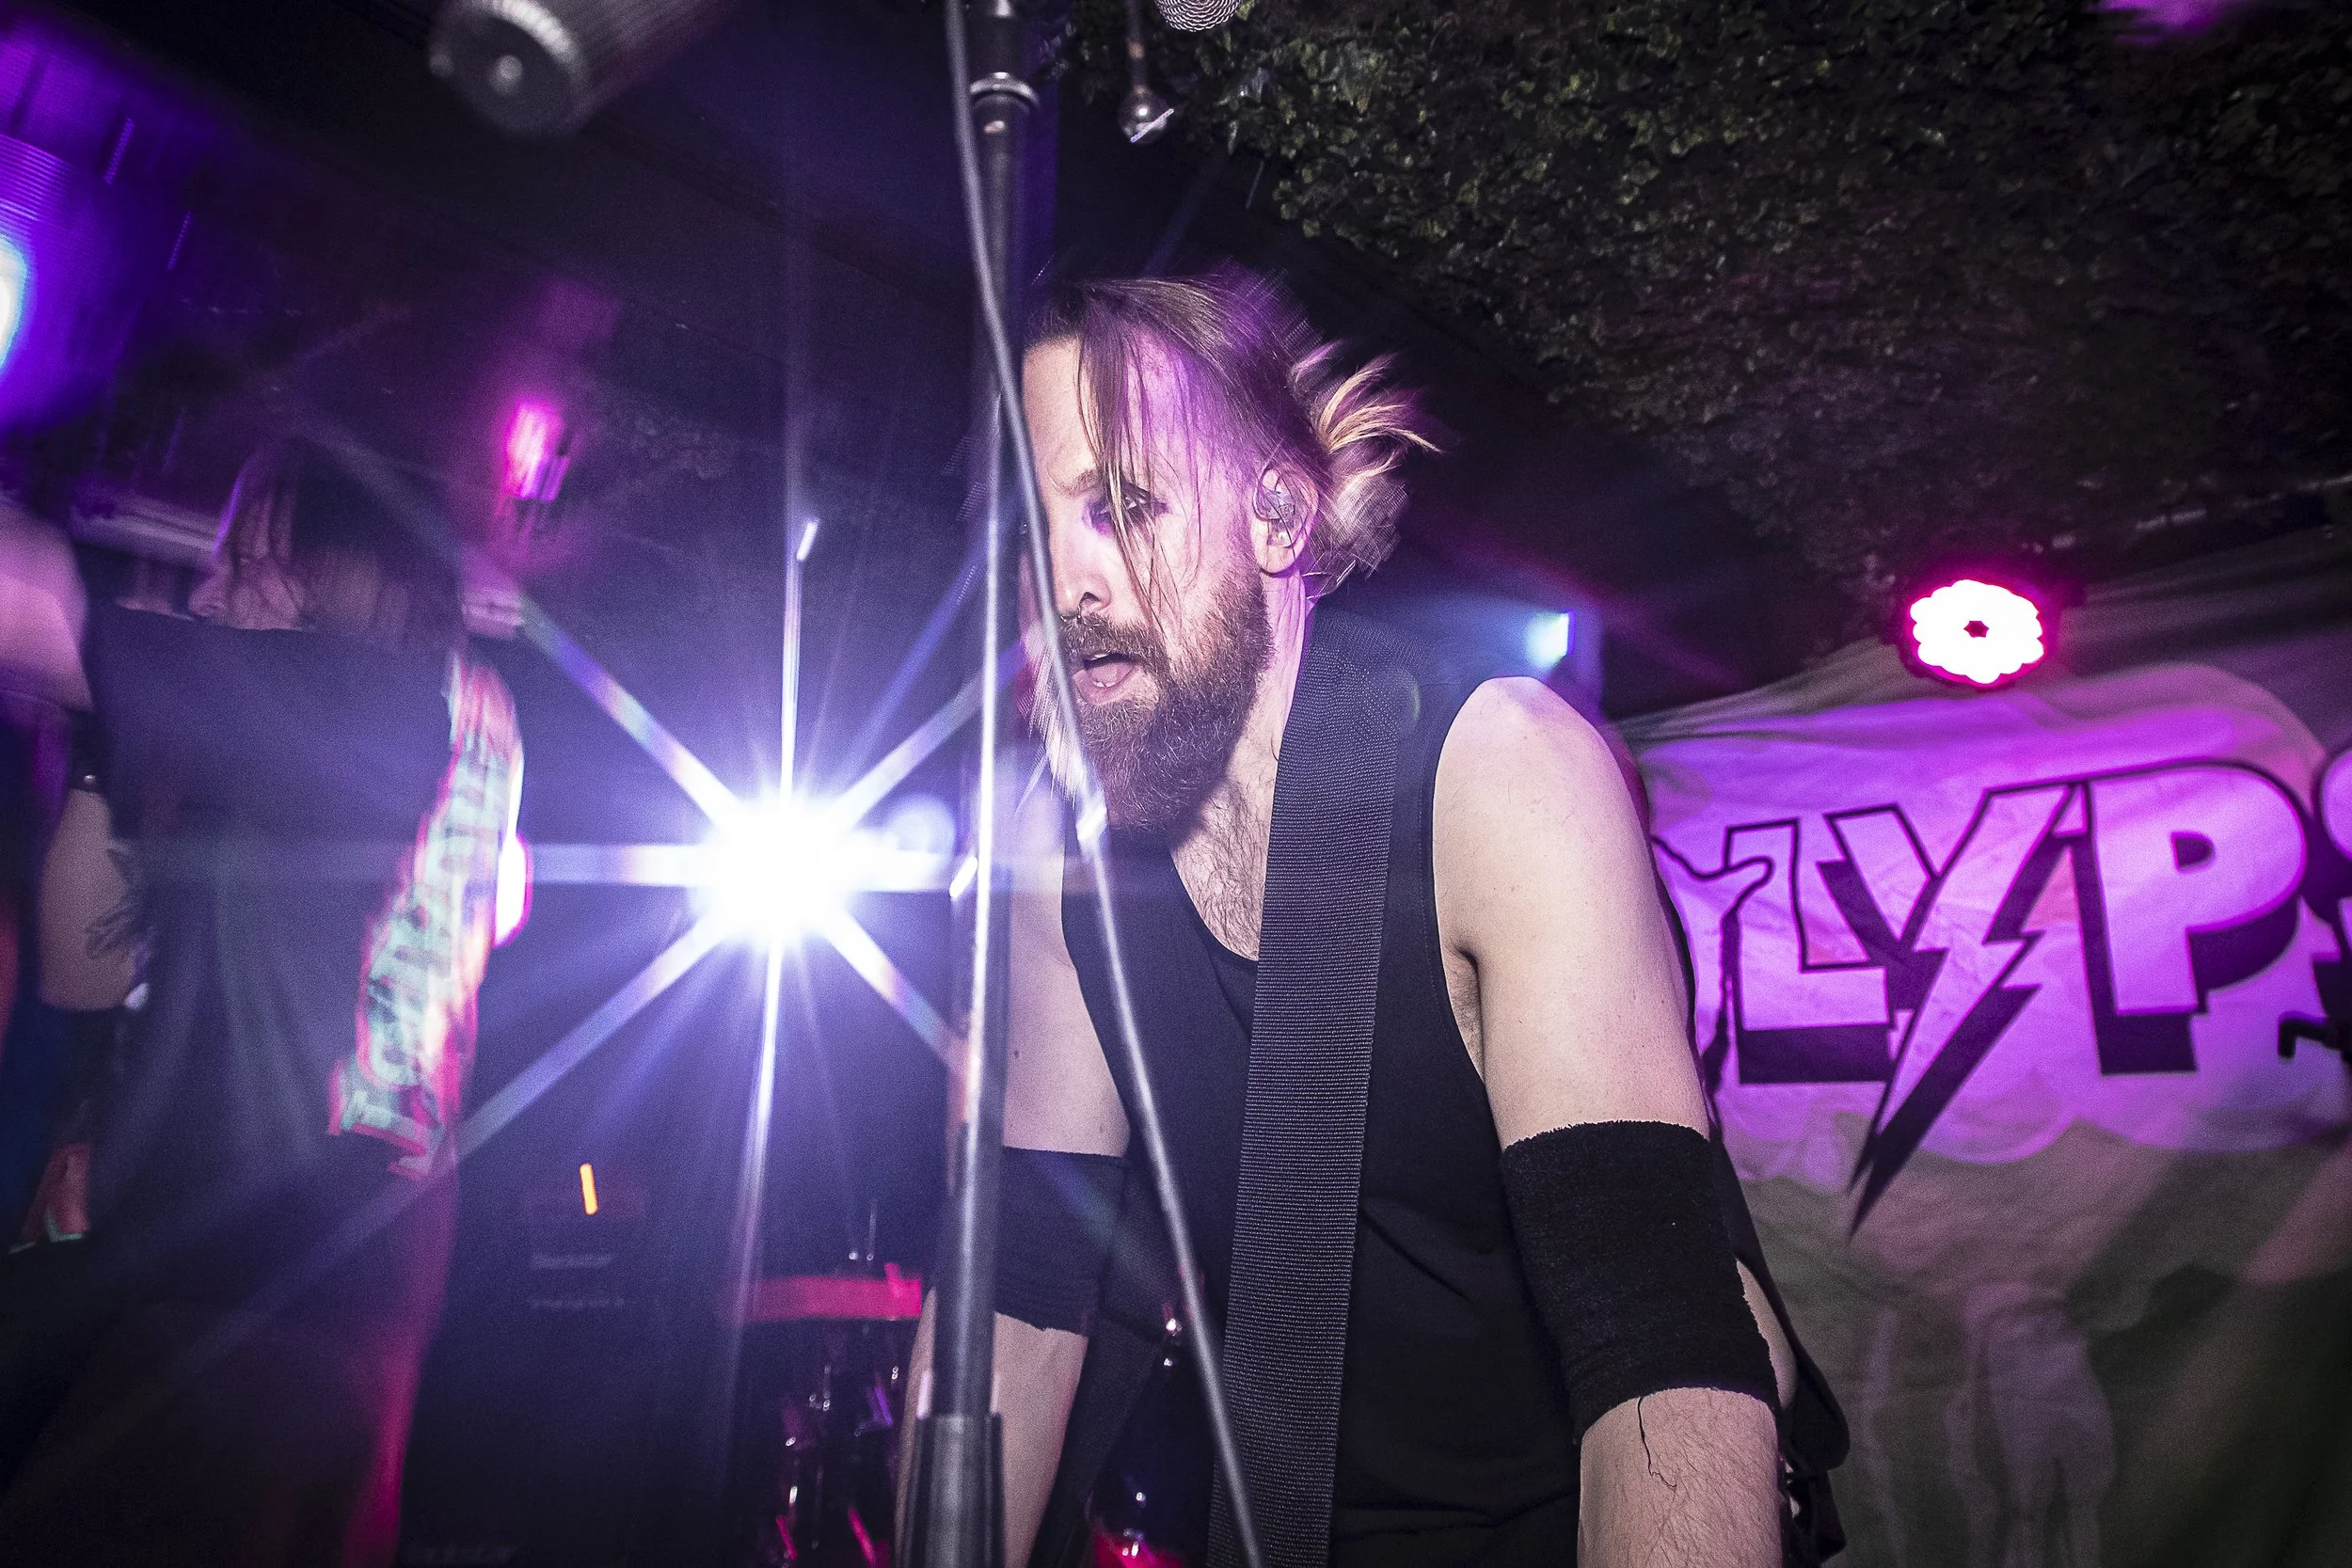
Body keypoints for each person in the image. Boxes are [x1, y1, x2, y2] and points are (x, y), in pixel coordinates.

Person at [904, 270, 1836, 1568]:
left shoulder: (1498, 775)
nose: (1066, 583)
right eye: (1029, 529)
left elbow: (1659, 1337)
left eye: (1122, 506)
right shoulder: (1060, 859)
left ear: (1278, 511)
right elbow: (1021, 1296)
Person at [0, 437, 520, 1567]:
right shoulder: (319, 759)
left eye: (245, 558)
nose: (208, 585)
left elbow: (27, 598)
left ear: (336, 576)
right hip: (253, 1331)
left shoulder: (363, 711)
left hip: (261, 1326)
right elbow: (78, 974)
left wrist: (104, 651)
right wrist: (108, 736)